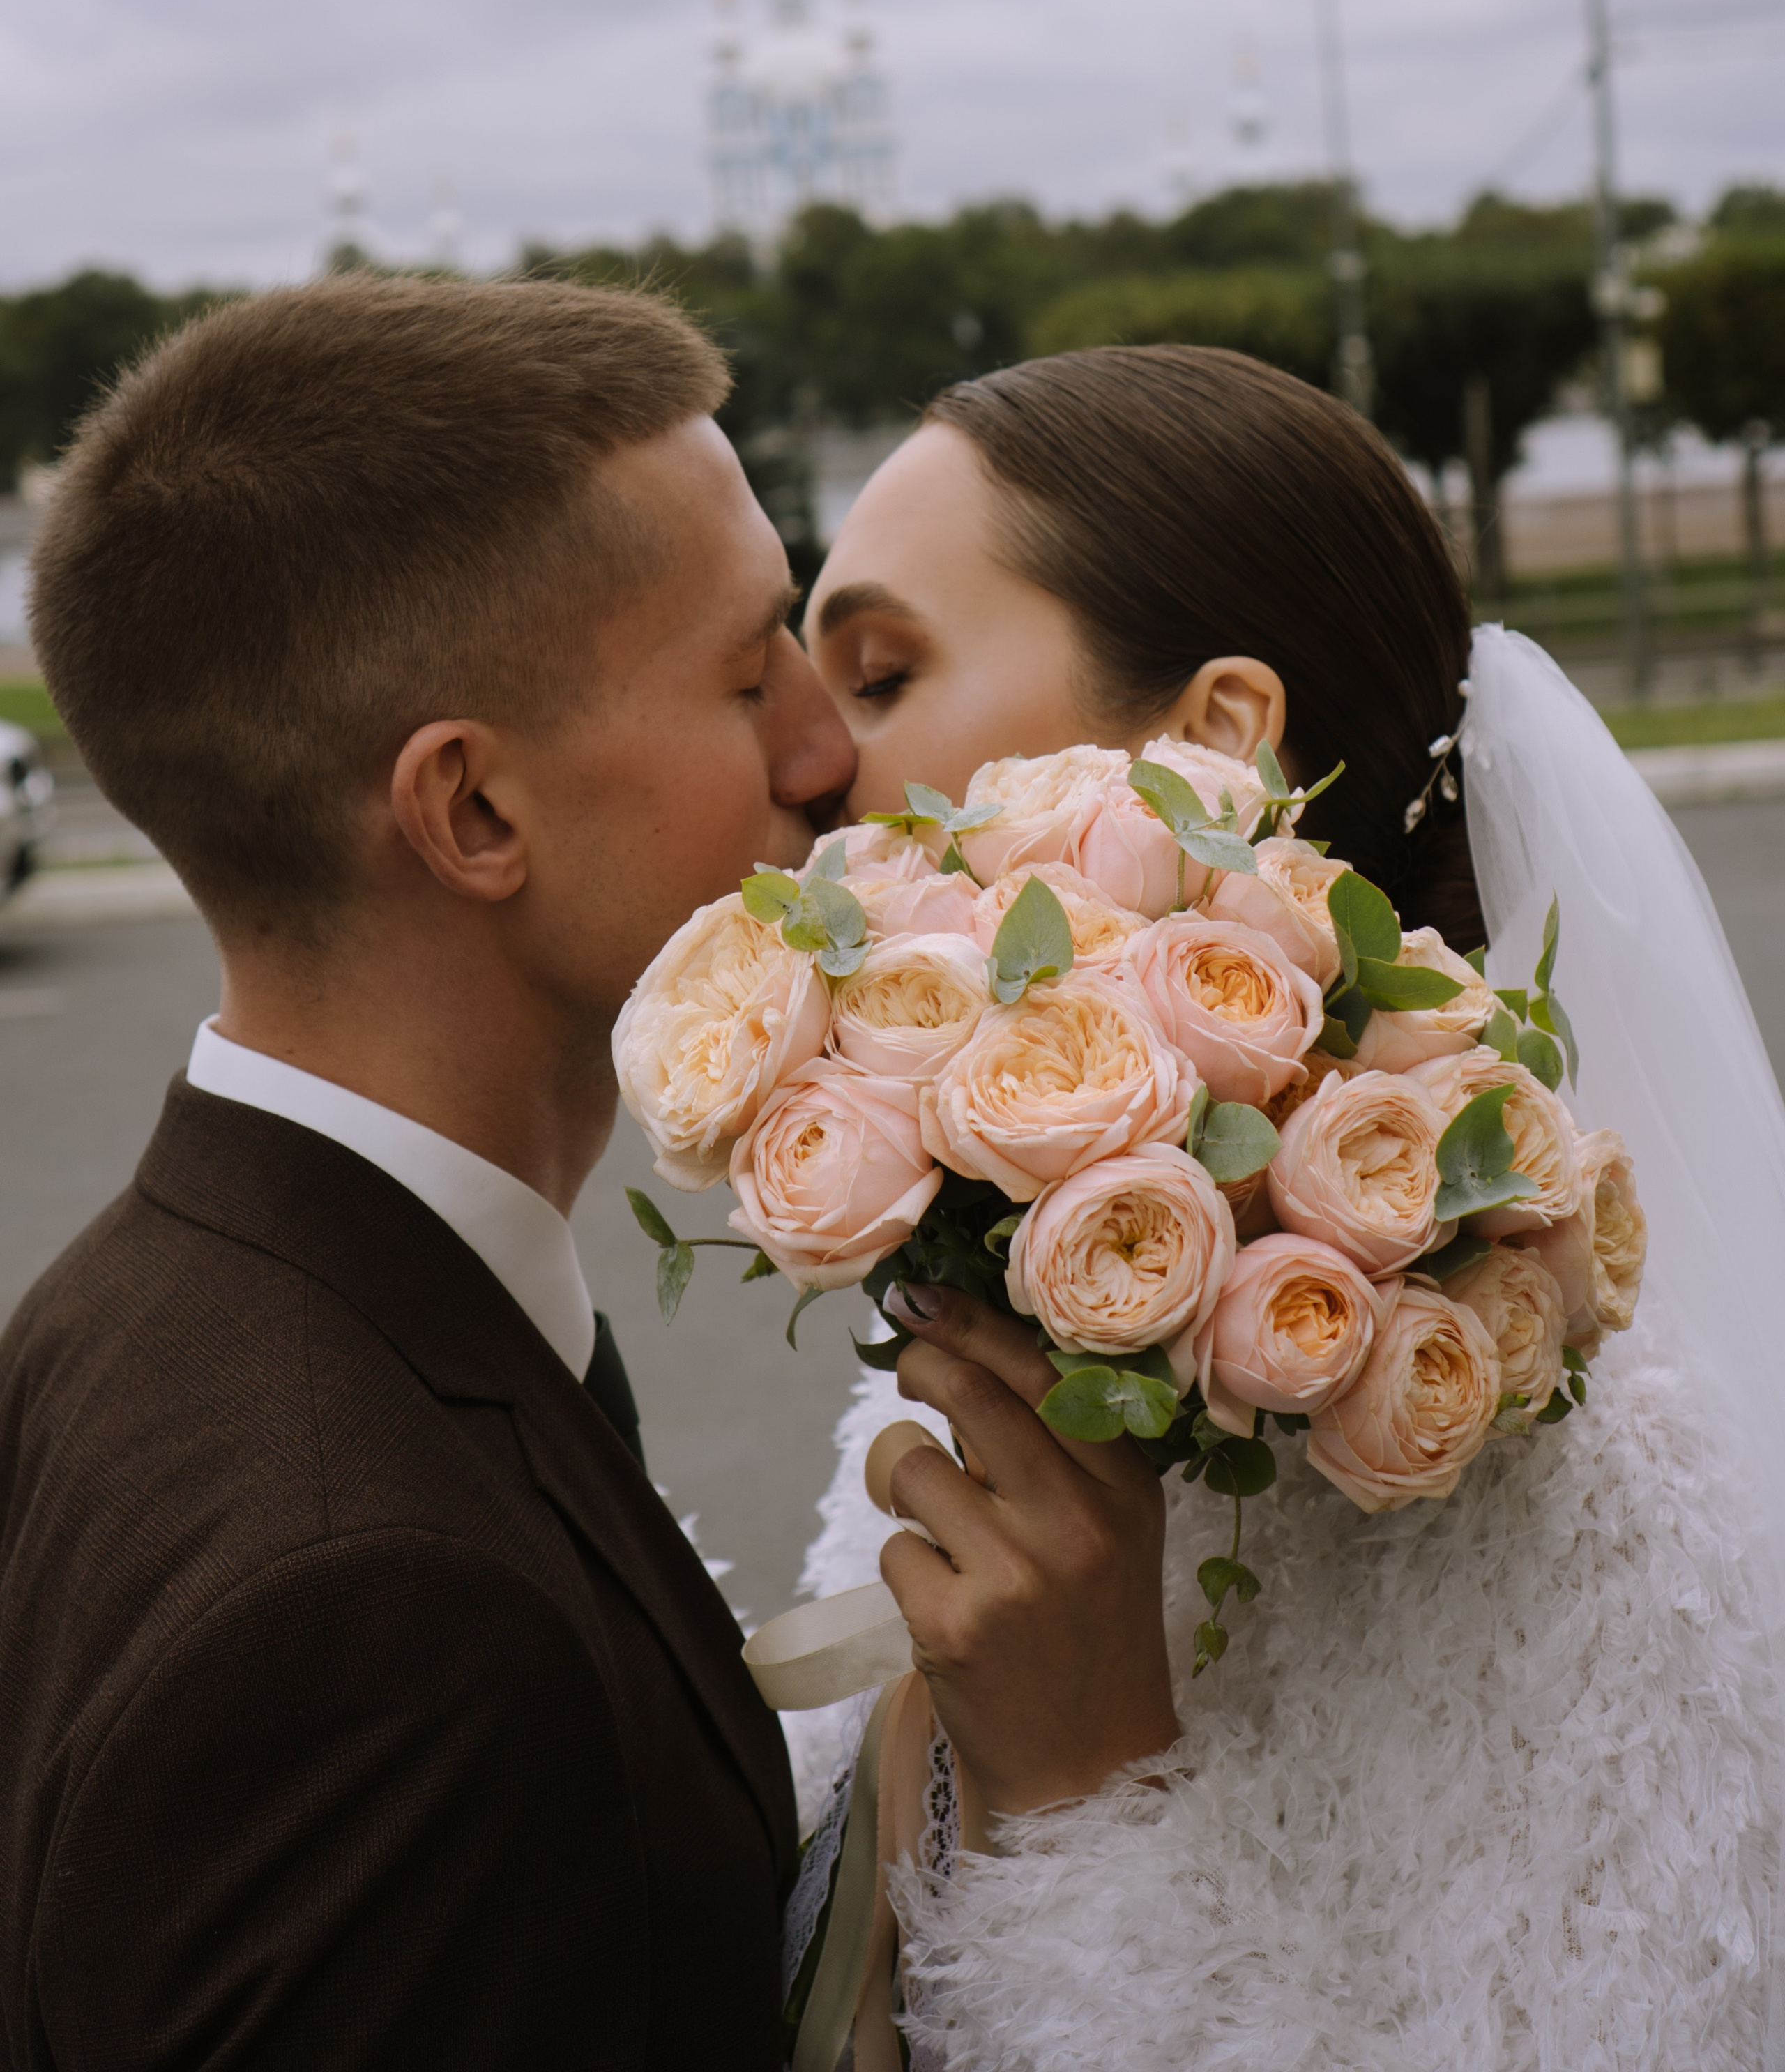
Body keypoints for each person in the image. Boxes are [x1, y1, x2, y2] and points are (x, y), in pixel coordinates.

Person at [0, 281, 1176, 2071]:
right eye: (742, 672)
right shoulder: (374, 1616)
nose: (822, 752)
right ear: (472, 812)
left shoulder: (123, 1311)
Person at [794, 345, 1785, 2071]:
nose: (807, 762)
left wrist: (1080, 1786)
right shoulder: (970, 1339)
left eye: (878, 672)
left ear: (1213, 742)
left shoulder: (1602, 1521)